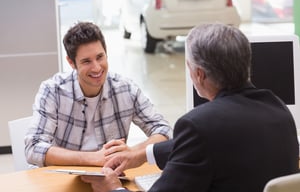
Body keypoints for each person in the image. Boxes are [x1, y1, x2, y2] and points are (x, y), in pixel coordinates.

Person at [81, 23, 299, 192]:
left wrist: (113, 188)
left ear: (199, 74)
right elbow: (220, 143)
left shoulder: (198, 125)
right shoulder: (277, 109)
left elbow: (205, 140)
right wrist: (142, 154)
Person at [24, 22, 172, 167]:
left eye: (100, 57)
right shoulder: (53, 90)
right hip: (64, 178)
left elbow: (164, 131)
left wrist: (133, 153)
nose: (96, 68)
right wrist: (93, 158)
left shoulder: (125, 88)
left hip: (110, 178)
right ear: (71, 62)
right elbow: (33, 148)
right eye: (86, 61)